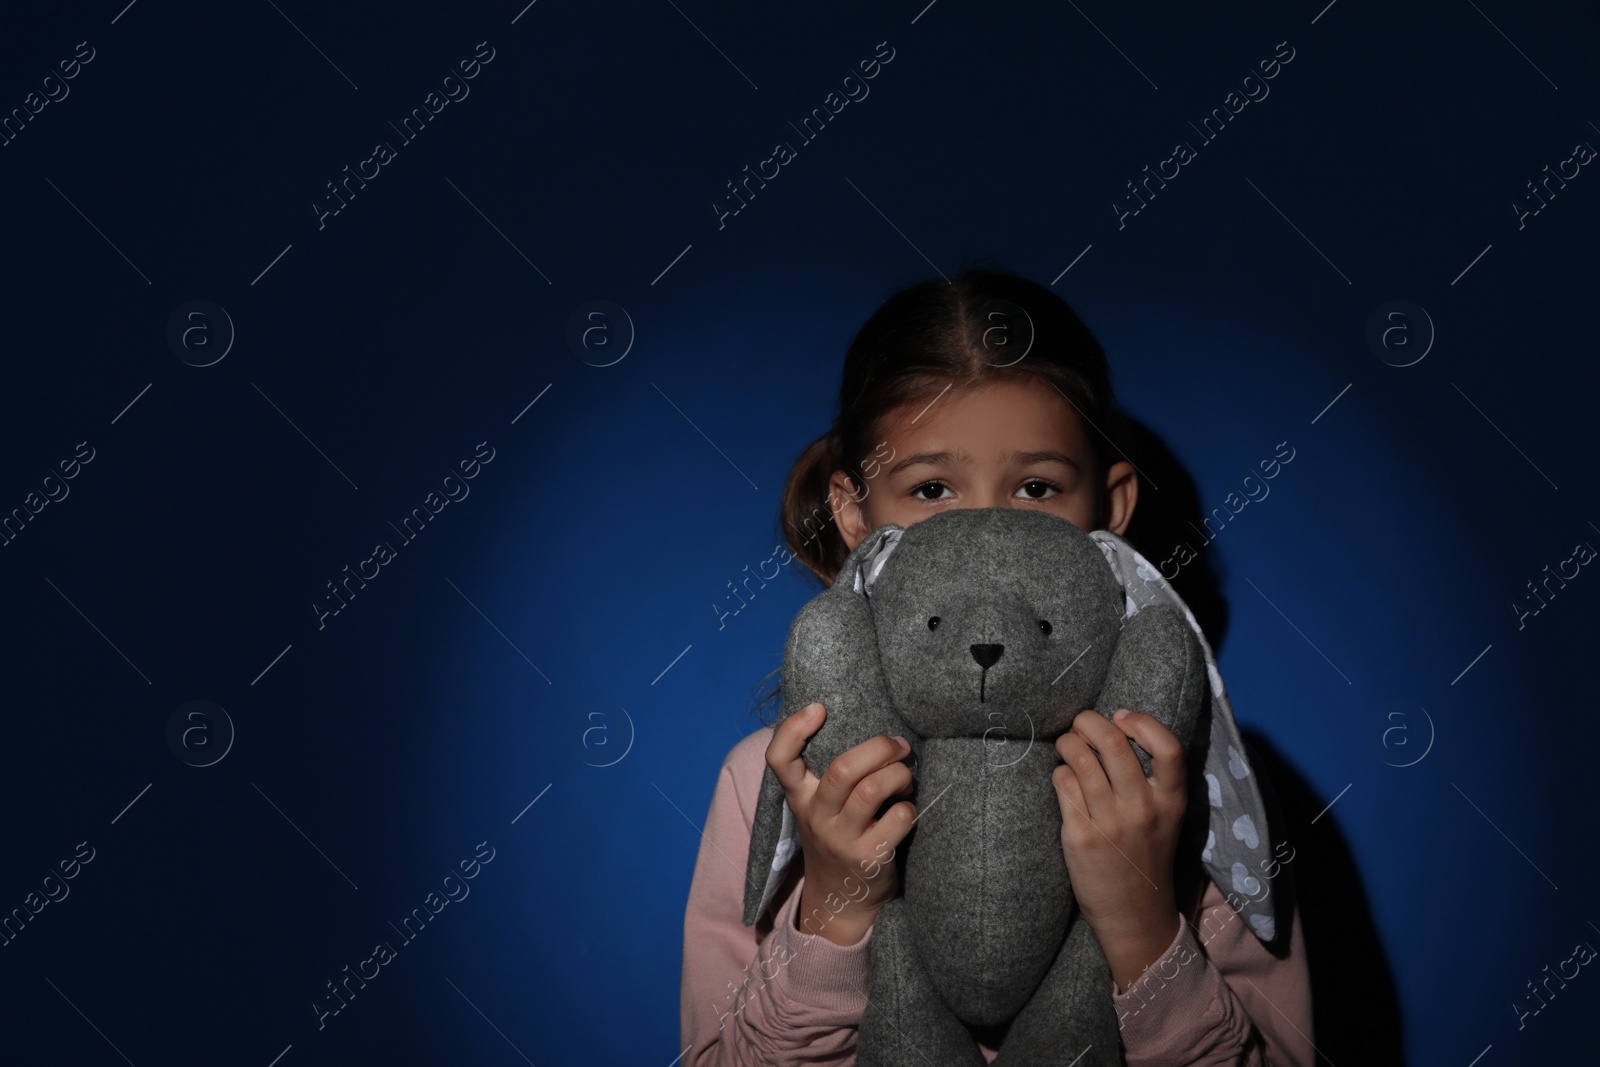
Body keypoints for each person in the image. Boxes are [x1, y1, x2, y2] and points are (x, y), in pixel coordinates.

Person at [679, 269, 1314, 1065]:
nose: (986, 531)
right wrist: (835, 912)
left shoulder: (1195, 793)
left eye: (1037, 486)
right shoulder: (763, 786)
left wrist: (1144, 932)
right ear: (853, 512)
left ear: (1108, 512)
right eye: (933, 487)